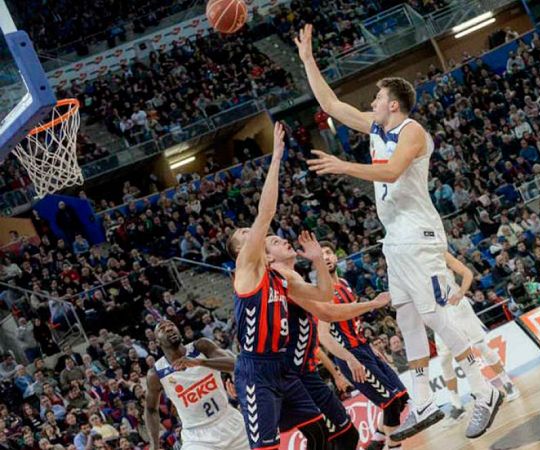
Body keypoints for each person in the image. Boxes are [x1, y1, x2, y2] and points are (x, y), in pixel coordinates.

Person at [297, 24, 502, 441]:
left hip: (419, 234)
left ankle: (485, 391)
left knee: (432, 314)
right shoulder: (377, 129)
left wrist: (343, 166)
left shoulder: (412, 132)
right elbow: (331, 103)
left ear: (392, 103)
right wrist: (307, 60)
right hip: (395, 238)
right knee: (407, 316)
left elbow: (391, 170)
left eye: (375, 98)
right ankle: (424, 399)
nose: (370, 102)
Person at [224, 122, 393, 450]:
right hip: (256, 369)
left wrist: (317, 260)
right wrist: (275, 158)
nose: (253, 233)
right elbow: (266, 212)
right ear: (241, 251)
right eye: (246, 234)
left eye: (251, 231)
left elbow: (325, 300)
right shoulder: (245, 269)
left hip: (285, 368)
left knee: (330, 435)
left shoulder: (280, 279)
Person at [272, 234, 389, 450]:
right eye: (274, 242)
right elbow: (328, 312)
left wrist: (318, 260)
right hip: (290, 376)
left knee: (346, 436)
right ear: (267, 258)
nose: (283, 241)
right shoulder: (278, 281)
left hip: (307, 373)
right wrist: (372, 304)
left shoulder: (296, 279)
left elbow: (326, 300)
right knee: (324, 439)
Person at [318, 243, 409, 450]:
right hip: (350, 354)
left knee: (401, 397)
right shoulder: (323, 293)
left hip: (363, 348)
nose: (326, 257)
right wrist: (349, 359)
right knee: (391, 401)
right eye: (321, 255)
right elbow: (323, 336)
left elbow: (354, 323)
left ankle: (377, 439)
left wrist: (370, 347)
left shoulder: (344, 283)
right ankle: (393, 444)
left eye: (329, 252)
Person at [435, 252, 520, 425]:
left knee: (480, 346)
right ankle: (457, 406)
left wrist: (461, 292)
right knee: (444, 360)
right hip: (439, 315)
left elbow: (467, 273)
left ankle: (507, 383)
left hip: (458, 308)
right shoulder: (411, 266)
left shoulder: (439, 252)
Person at [144, 320, 249, 450]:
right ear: (157, 342)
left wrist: (200, 362)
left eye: (171, 325)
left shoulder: (201, 346)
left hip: (229, 420)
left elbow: (237, 364)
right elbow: (150, 409)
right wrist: (154, 445)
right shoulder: (156, 374)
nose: (169, 329)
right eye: (162, 329)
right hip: (197, 437)